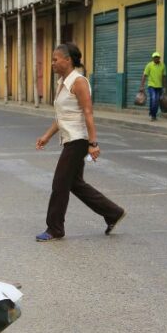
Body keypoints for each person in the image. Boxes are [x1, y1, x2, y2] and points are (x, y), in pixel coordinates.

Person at [34, 43, 126, 242]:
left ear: (68, 60)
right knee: (75, 184)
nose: (52, 63)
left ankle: (54, 228)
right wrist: (47, 136)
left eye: (55, 59)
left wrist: (93, 143)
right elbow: (63, 117)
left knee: (60, 183)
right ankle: (113, 213)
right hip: (70, 138)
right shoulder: (62, 83)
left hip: (78, 140)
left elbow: (88, 113)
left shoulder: (79, 81)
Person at [139, 51, 167, 121]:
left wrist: (165, 87)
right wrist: (142, 86)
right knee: (154, 98)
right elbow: (144, 75)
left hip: (159, 86)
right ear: (152, 58)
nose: (156, 59)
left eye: (157, 57)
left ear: (159, 58)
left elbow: (164, 77)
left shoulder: (163, 65)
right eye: (154, 57)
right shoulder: (149, 65)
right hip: (151, 86)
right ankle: (152, 114)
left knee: (156, 101)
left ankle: (153, 114)